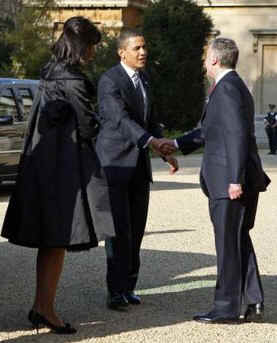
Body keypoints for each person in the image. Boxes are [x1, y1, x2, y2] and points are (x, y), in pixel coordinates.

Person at [1, 16, 115, 334]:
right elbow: (87, 127)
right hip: (62, 172)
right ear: (81, 46)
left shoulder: (50, 73)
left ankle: (43, 306)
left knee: (50, 242)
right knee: (55, 242)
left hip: (42, 168)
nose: (93, 53)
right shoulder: (73, 81)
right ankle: (45, 308)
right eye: (91, 46)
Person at [159, 38, 270, 323]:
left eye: (206, 56)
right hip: (230, 178)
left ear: (214, 60)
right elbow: (208, 131)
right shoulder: (231, 87)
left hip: (229, 181)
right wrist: (174, 142)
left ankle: (226, 308)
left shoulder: (228, 89)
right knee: (237, 238)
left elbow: (235, 136)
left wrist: (234, 179)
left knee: (227, 244)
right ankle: (252, 298)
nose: (204, 61)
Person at [95, 28, 178, 311]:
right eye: (137, 48)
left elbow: (150, 118)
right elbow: (119, 119)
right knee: (119, 231)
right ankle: (115, 291)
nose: (143, 52)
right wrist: (151, 141)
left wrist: (164, 150)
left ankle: (129, 286)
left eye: (144, 47)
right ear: (122, 52)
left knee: (137, 228)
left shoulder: (144, 78)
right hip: (115, 164)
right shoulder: (109, 80)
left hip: (139, 166)